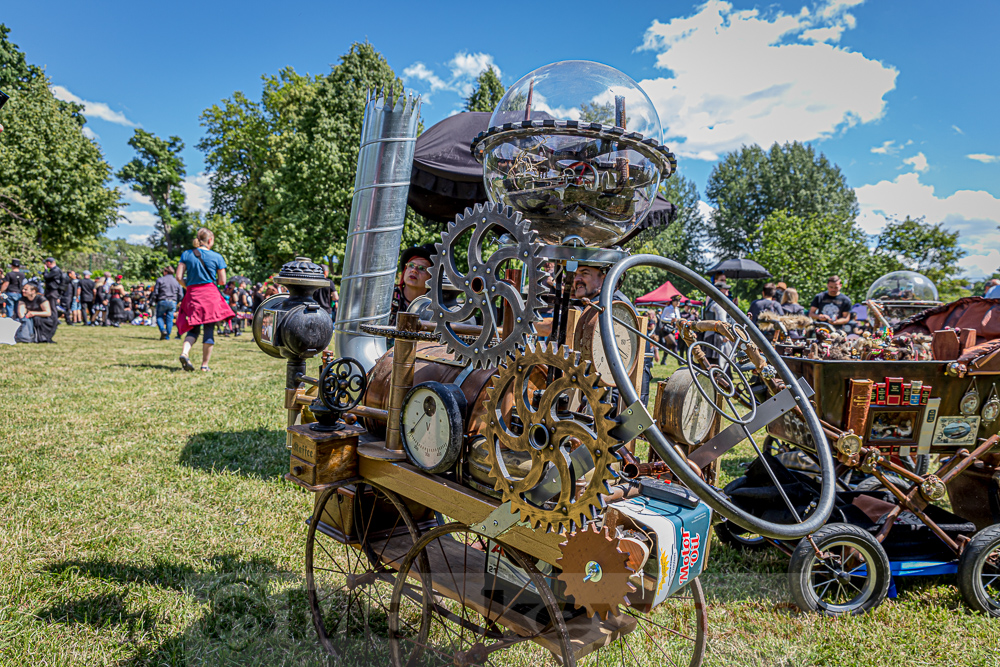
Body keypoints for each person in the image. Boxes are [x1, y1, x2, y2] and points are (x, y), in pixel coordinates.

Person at [175, 228, 232, 371]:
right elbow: (223, 281)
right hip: (210, 295)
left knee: (193, 329)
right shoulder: (217, 257)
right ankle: (205, 365)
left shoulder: (186, 254)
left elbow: (178, 277)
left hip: (193, 294)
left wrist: (187, 286)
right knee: (209, 330)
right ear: (210, 240)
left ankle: (184, 353)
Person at [390, 244, 433, 326]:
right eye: (411, 265)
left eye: (422, 268)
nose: (414, 270)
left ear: (431, 278)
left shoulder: (434, 308)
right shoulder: (387, 297)